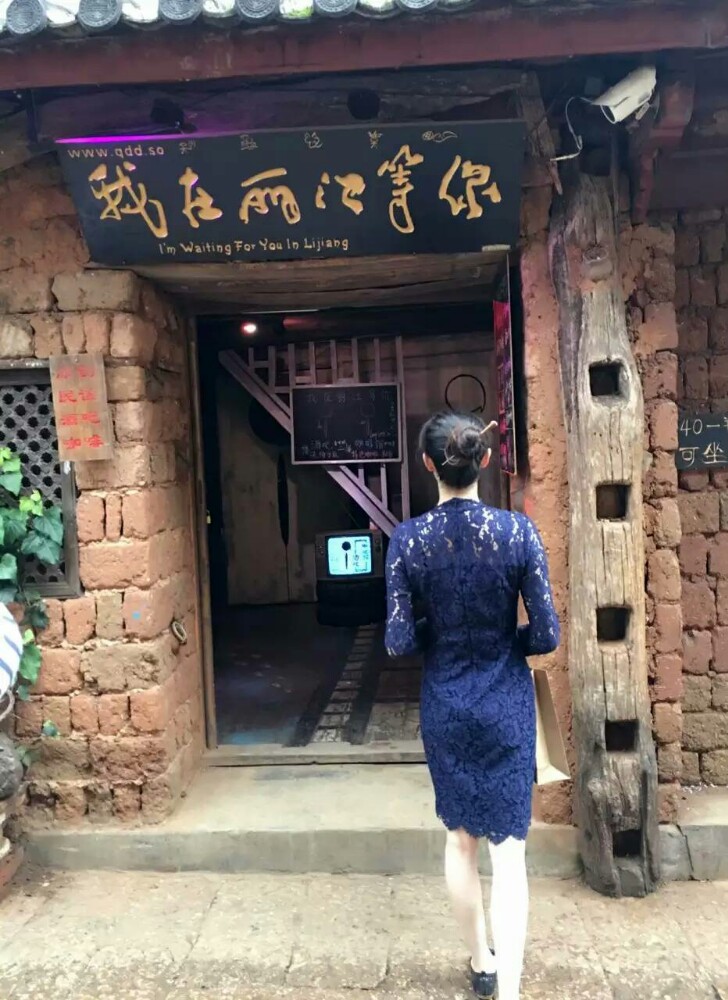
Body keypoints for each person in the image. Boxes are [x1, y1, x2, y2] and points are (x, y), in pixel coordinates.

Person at [384, 411, 559, 1000]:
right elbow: (547, 635)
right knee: (509, 853)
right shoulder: (517, 533)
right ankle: (509, 990)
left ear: (427, 464)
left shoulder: (407, 541)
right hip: (507, 703)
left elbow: (399, 641)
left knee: (460, 840)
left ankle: (481, 962)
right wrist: (503, 640)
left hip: (446, 706)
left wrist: (444, 633)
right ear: (484, 460)